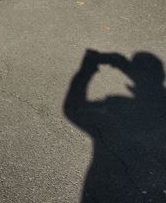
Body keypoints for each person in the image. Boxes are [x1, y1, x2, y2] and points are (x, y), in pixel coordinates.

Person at [64, 49, 166, 202]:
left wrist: (87, 68)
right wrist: (125, 67)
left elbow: (73, 108)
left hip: (104, 191)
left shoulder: (116, 107)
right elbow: (150, 86)